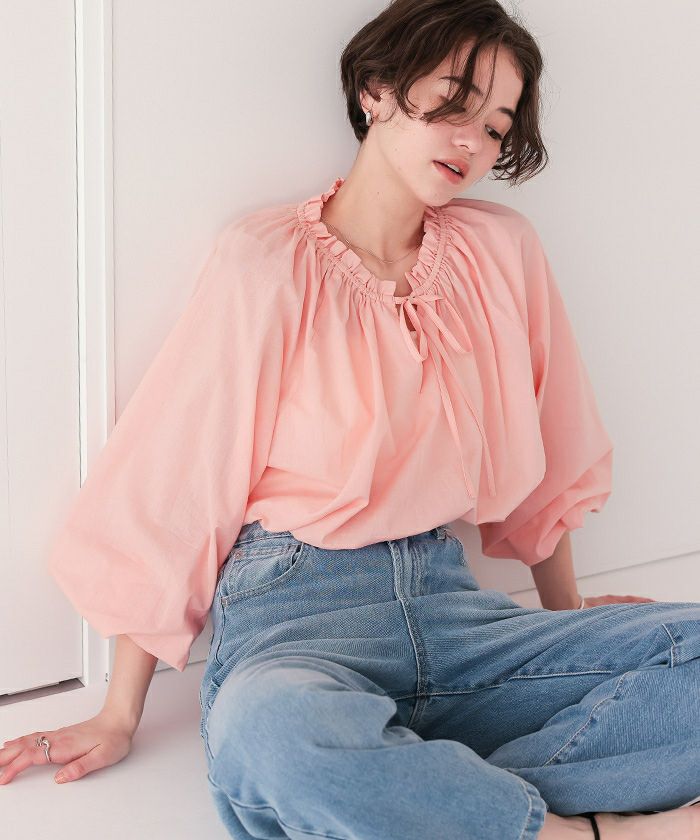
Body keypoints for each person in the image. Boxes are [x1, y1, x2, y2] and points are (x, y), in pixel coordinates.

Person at [2, 1, 699, 838]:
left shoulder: (501, 252)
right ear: (375, 90)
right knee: (277, 736)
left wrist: (569, 624)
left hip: (459, 616)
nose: (472, 141)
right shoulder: (265, 263)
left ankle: (419, 795)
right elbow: (178, 485)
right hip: (296, 623)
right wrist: (118, 716)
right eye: (453, 101)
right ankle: (580, 829)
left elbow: (554, 449)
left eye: (495, 126)